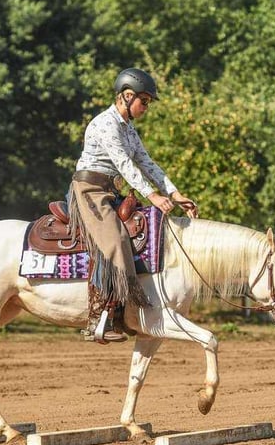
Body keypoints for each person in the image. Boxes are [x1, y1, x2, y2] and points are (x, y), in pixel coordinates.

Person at [68, 67, 198, 344]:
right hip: (89, 190)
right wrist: (153, 196)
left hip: (109, 191)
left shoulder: (129, 130)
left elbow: (148, 163)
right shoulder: (105, 123)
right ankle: (98, 317)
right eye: (145, 101)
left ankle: (125, 311)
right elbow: (125, 165)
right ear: (127, 96)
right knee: (114, 241)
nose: (147, 107)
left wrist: (174, 194)